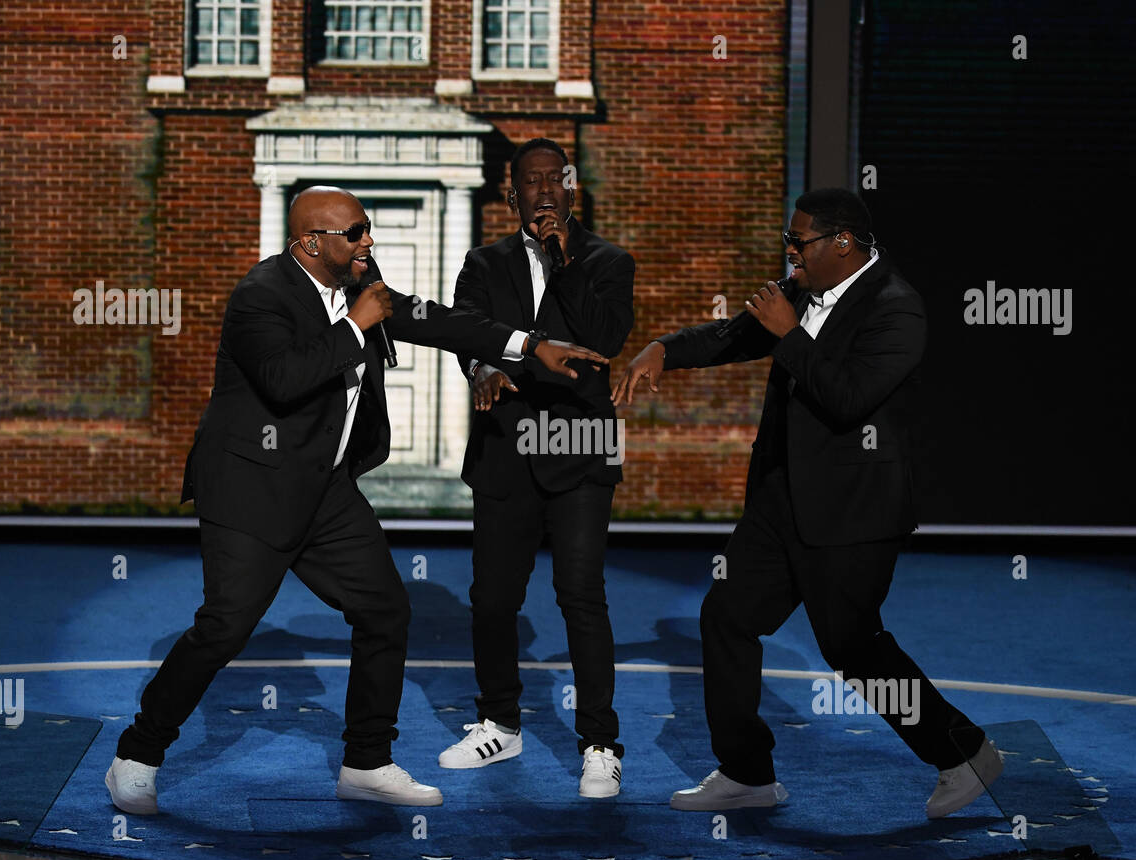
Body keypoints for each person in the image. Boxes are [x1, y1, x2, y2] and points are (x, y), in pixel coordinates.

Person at [106, 186, 607, 814]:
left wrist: (530, 346)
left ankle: (367, 761)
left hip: (327, 491)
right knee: (223, 628)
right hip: (252, 491)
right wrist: (354, 326)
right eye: (354, 232)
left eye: (367, 228)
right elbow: (283, 379)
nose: (367, 240)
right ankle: (138, 752)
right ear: (311, 242)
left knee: (384, 610)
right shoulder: (261, 295)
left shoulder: (360, 288)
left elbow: (441, 321)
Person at [612, 188, 1002, 818]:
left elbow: (848, 399)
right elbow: (731, 337)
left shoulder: (897, 310)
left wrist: (789, 335)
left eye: (800, 243)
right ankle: (747, 773)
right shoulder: (799, 291)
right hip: (778, 502)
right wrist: (665, 348)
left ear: (843, 243)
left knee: (852, 646)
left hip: (854, 510)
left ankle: (964, 752)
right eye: (787, 242)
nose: (789, 254)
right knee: (727, 617)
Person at [436, 138, 635, 797]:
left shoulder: (608, 261)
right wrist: (483, 367)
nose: (546, 189)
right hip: (506, 450)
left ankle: (600, 743)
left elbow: (603, 341)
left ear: (571, 187)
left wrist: (563, 261)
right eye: (532, 179)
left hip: (579, 451)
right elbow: (466, 331)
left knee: (582, 594)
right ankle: (500, 721)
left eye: (557, 177)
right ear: (509, 190)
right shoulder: (482, 262)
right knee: (493, 598)